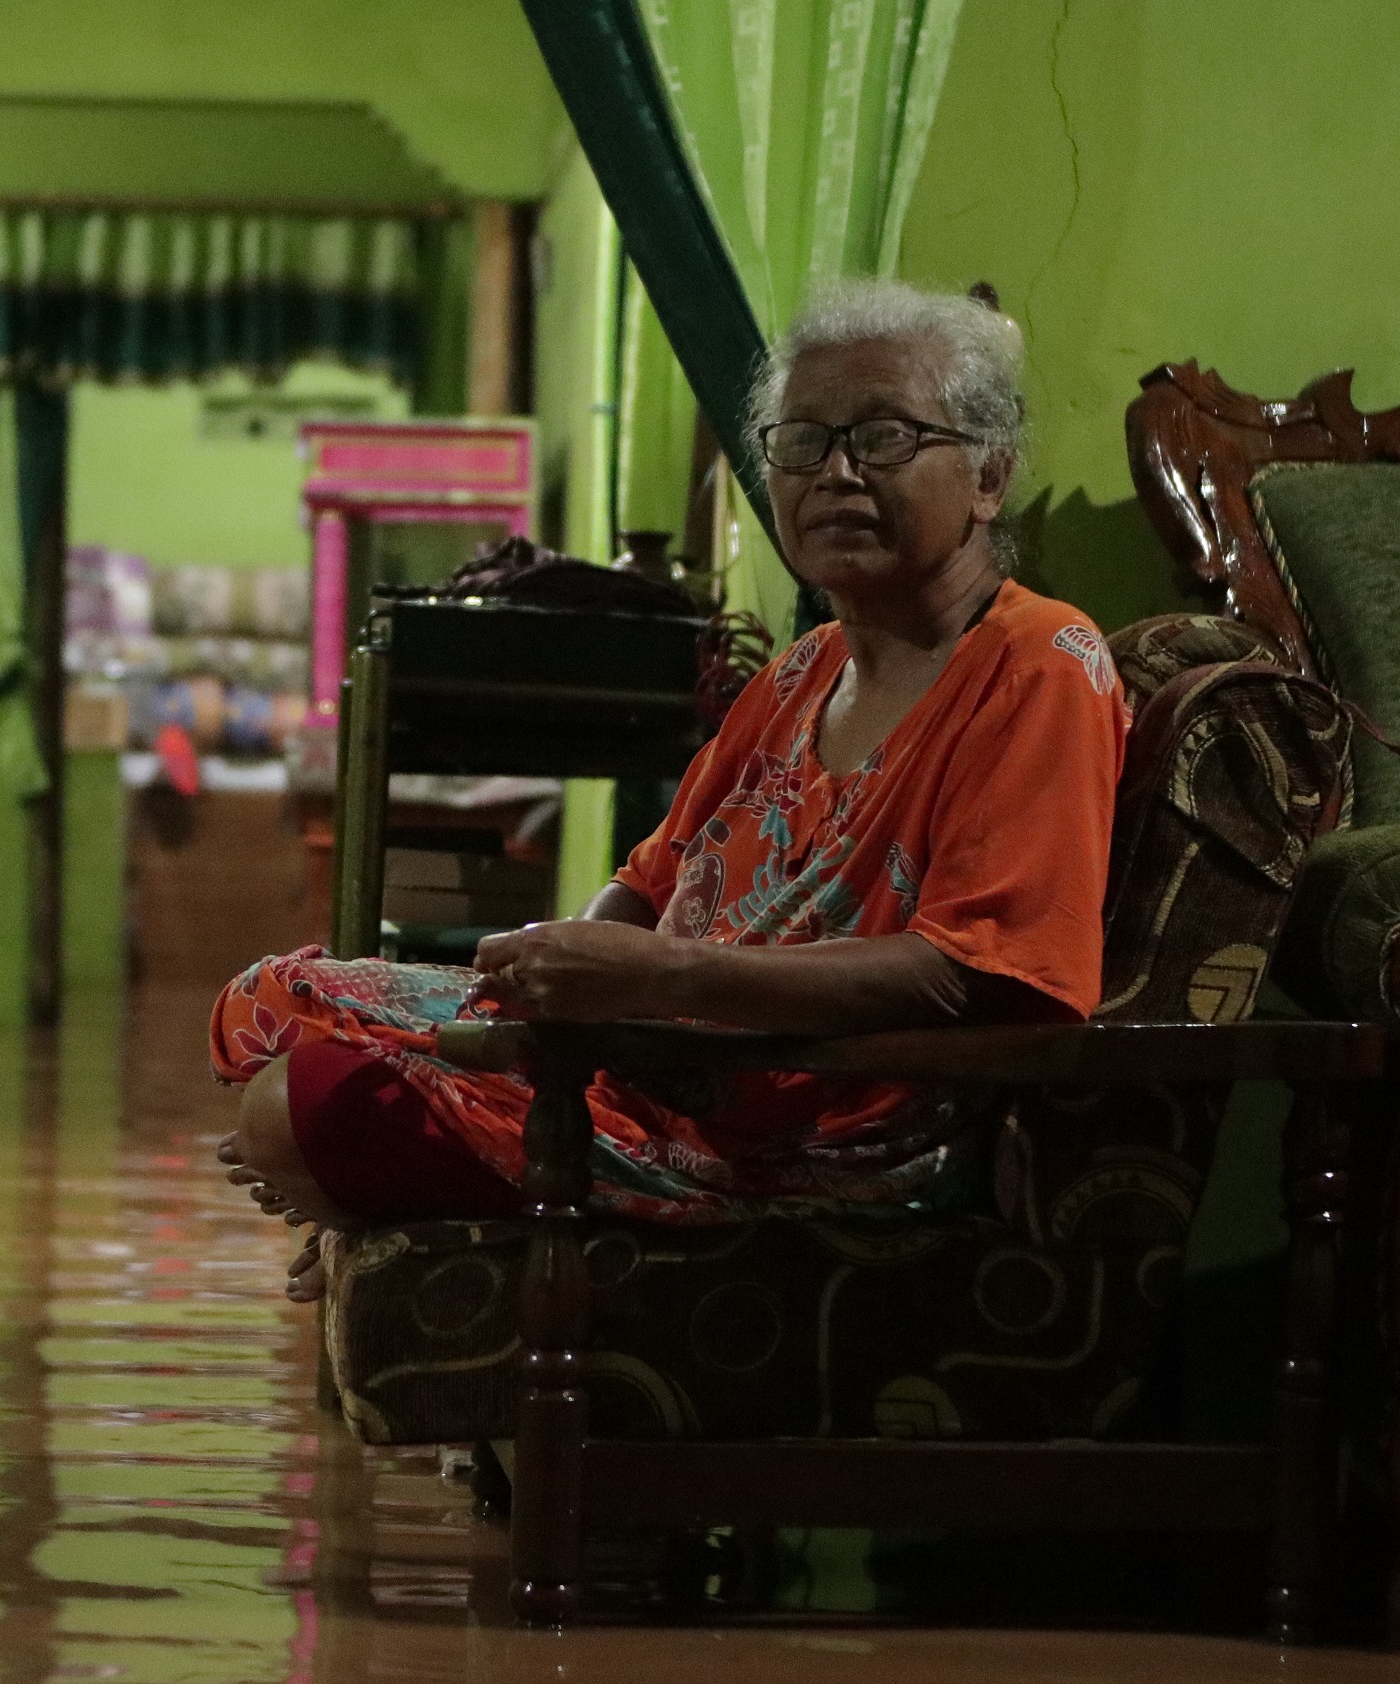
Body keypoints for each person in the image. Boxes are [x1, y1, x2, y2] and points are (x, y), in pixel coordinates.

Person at [211, 279, 1131, 1301]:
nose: (835, 472)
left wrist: (658, 981)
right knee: (271, 1003)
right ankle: (416, 1173)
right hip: (636, 1059)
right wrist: (555, 985)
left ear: (991, 474)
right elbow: (648, 887)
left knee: (307, 1106)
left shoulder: (1042, 661)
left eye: (883, 436)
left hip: (803, 1131)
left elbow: (975, 975)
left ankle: (404, 1182)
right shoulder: (799, 673)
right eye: (803, 440)